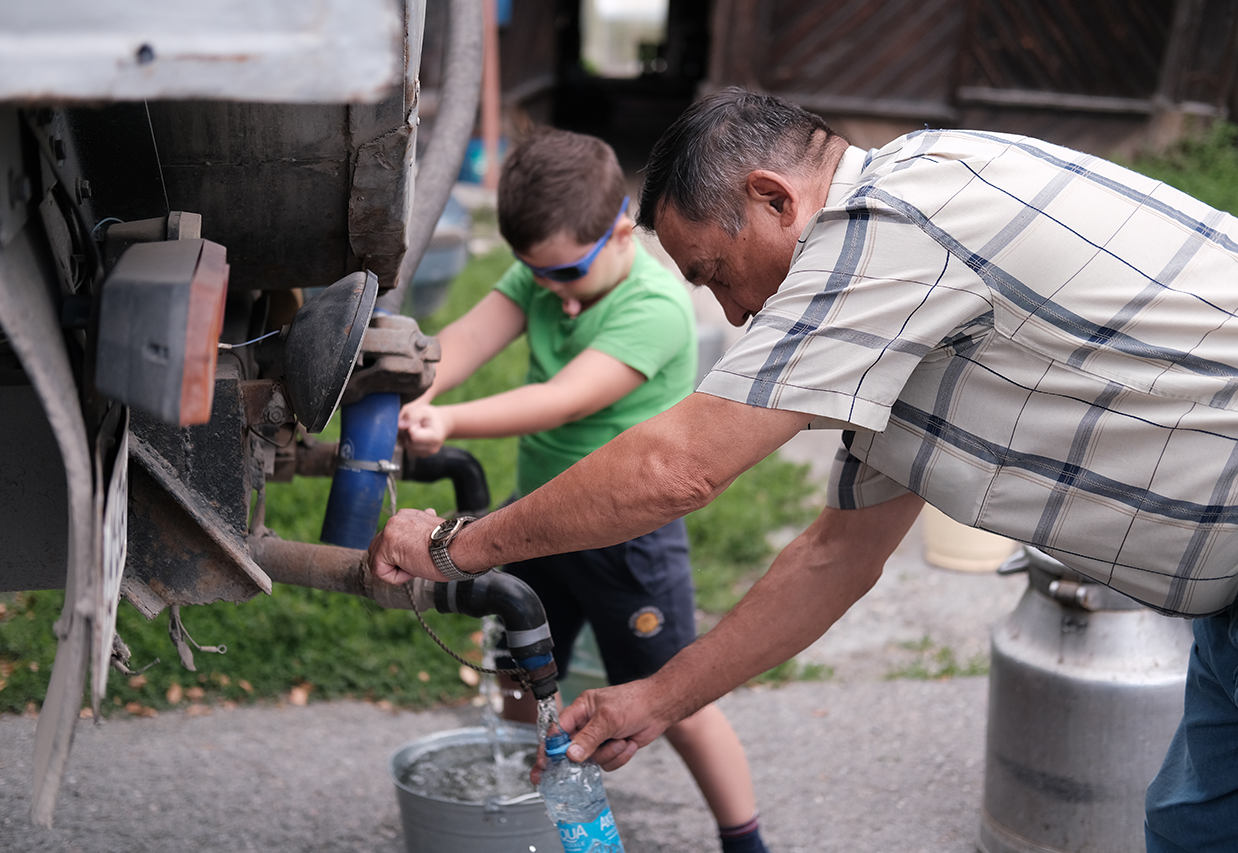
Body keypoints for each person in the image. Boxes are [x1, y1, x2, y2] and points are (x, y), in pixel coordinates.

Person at [368, 90, 1238, 851]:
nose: (737, 316)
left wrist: (458, 545)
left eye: (716, 274)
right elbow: (837, 558)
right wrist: (658, 698)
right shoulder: (896, 298)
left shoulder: (887, 225)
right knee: (1192, 825)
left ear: (775, 199)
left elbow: (678, 468)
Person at [397, 127, 772, 853]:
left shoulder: (657, 307)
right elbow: (462, 345)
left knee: (677, 696)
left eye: (564, 272)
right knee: (518, 670)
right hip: (538, 522)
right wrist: (416, 389)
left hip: (627, 539)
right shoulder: (545, 274)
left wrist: (451, 418)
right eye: (532, 273)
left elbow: (566, 398)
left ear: (623, 230)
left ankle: (744, 837)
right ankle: (518, 802)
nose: (546, 288)